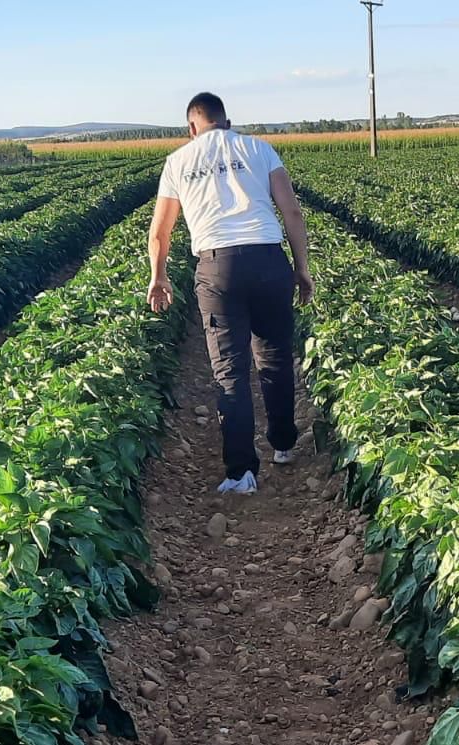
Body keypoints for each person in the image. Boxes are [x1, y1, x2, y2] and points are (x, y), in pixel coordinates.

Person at [148, 92, 314, 495]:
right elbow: (291, 211)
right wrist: (302, 269)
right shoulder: (259, 149)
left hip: (217, 266)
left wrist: (159, 277)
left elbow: (161, 230)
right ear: (227, 121)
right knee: (274, 355)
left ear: (192, 127)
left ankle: (241, 473)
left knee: (230, 371)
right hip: (268, 260)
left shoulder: (178, 161)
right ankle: (284, 445)